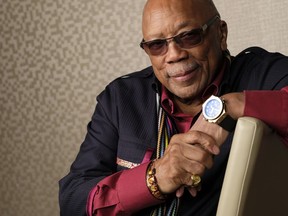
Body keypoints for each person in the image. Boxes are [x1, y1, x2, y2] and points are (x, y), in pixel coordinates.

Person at [59, 0, 288, 215]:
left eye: (189, 36)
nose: (175, 55)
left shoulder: (262, 75)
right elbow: (73, 200)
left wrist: (229, 106)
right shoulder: (121, 99)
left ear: (221, 33)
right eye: (157, 45)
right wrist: (156, 178)